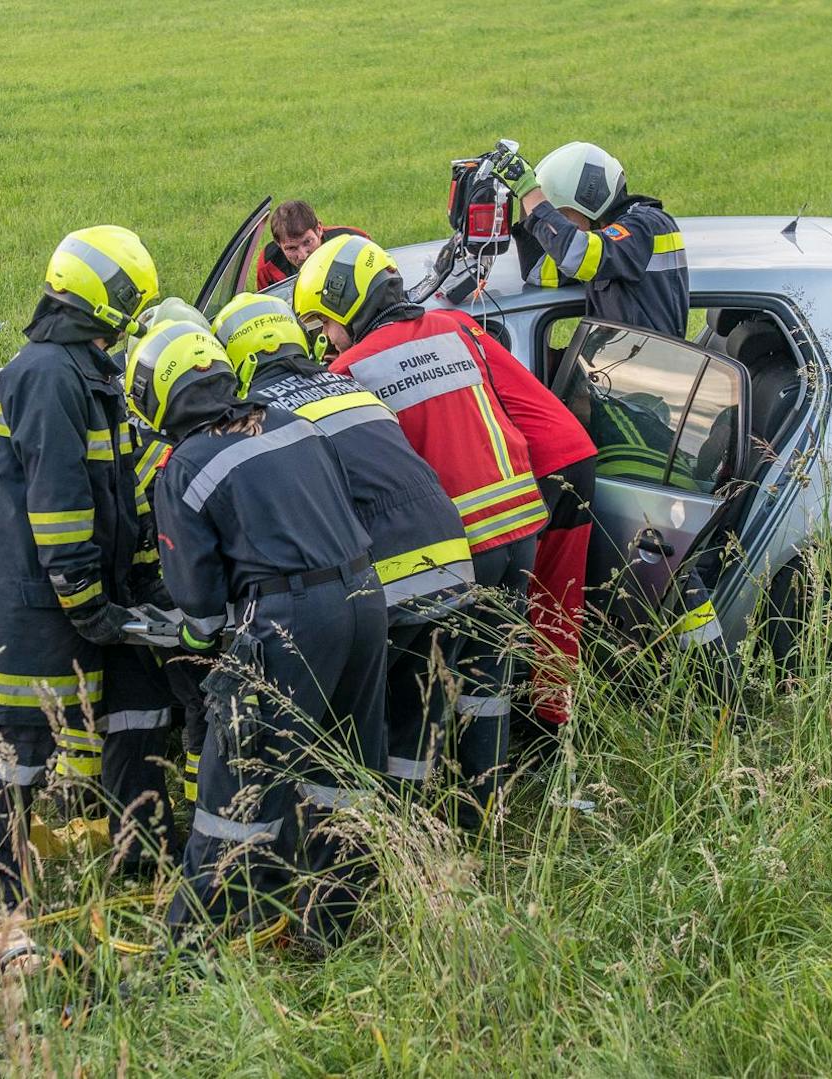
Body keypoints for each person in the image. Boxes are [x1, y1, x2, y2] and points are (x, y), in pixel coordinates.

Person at [125, 319, 387, 949]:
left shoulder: (185, 463)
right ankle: (332, 926)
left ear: (159, 393)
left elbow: (201, 605)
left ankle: (196, 947)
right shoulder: (292, 423)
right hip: (366, 599)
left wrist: (187, 641)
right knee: (343, 770)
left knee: (235, 779)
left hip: (289, 619)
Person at [294, 234, 549, 829]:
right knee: (490, 681)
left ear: (349, 304)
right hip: (519, 529)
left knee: (419, 695)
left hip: (457, 545)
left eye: (326, 323)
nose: (328, 337)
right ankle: (483, 813)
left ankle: (413, 832)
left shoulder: (350, 368)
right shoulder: (455, 329)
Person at [0, 225, 175, 915]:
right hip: (33, 615)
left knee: (128, 718)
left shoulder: (81, 369)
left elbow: (115, 487)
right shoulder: (49, 376)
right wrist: (90, 604)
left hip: (67, 603)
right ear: (106, 301)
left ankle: (136, 858)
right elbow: (59, 509)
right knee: (14, 763)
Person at [211, 293, 474, 790]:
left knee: (347, 730)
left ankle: (343, 847)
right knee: (414, 724)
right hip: (452, 561)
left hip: (383, 578)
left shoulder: (266, 417)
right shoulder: (346, 385)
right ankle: (410, 841)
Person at [492, 142, 689, 338]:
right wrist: (526, 202)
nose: (562, 226)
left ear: (590, 200)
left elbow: (576, 254)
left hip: (645, 365)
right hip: (621, 362)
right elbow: (538, 270)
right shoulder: (607, 243)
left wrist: (529, 191)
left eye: (563, 216)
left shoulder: (645, 227)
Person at [254, 200, 370, 290]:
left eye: (307, 242)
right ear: (278, 243)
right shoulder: (268, 265)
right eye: (291, 248)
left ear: (319, 230)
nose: (303, 255)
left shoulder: (356, 242)